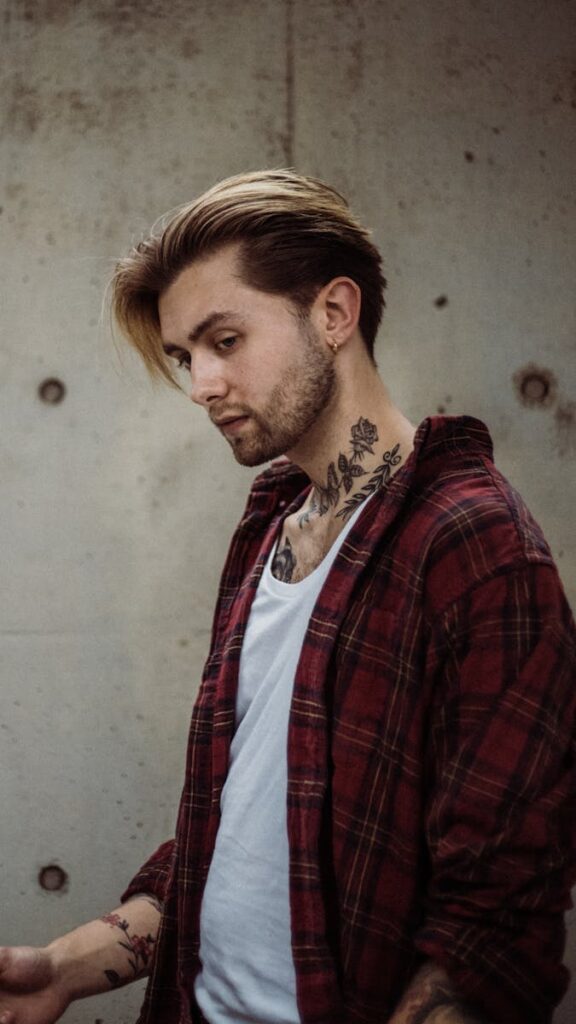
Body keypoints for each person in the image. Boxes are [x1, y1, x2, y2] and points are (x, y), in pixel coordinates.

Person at [1, 170, 575, 1024]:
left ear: (334, 314)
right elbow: (241, 822)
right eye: (184, 358)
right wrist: (68, 969)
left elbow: (493, 930)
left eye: (224, 340)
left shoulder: (475, 546)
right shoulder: (274, 521)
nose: (200, 386)